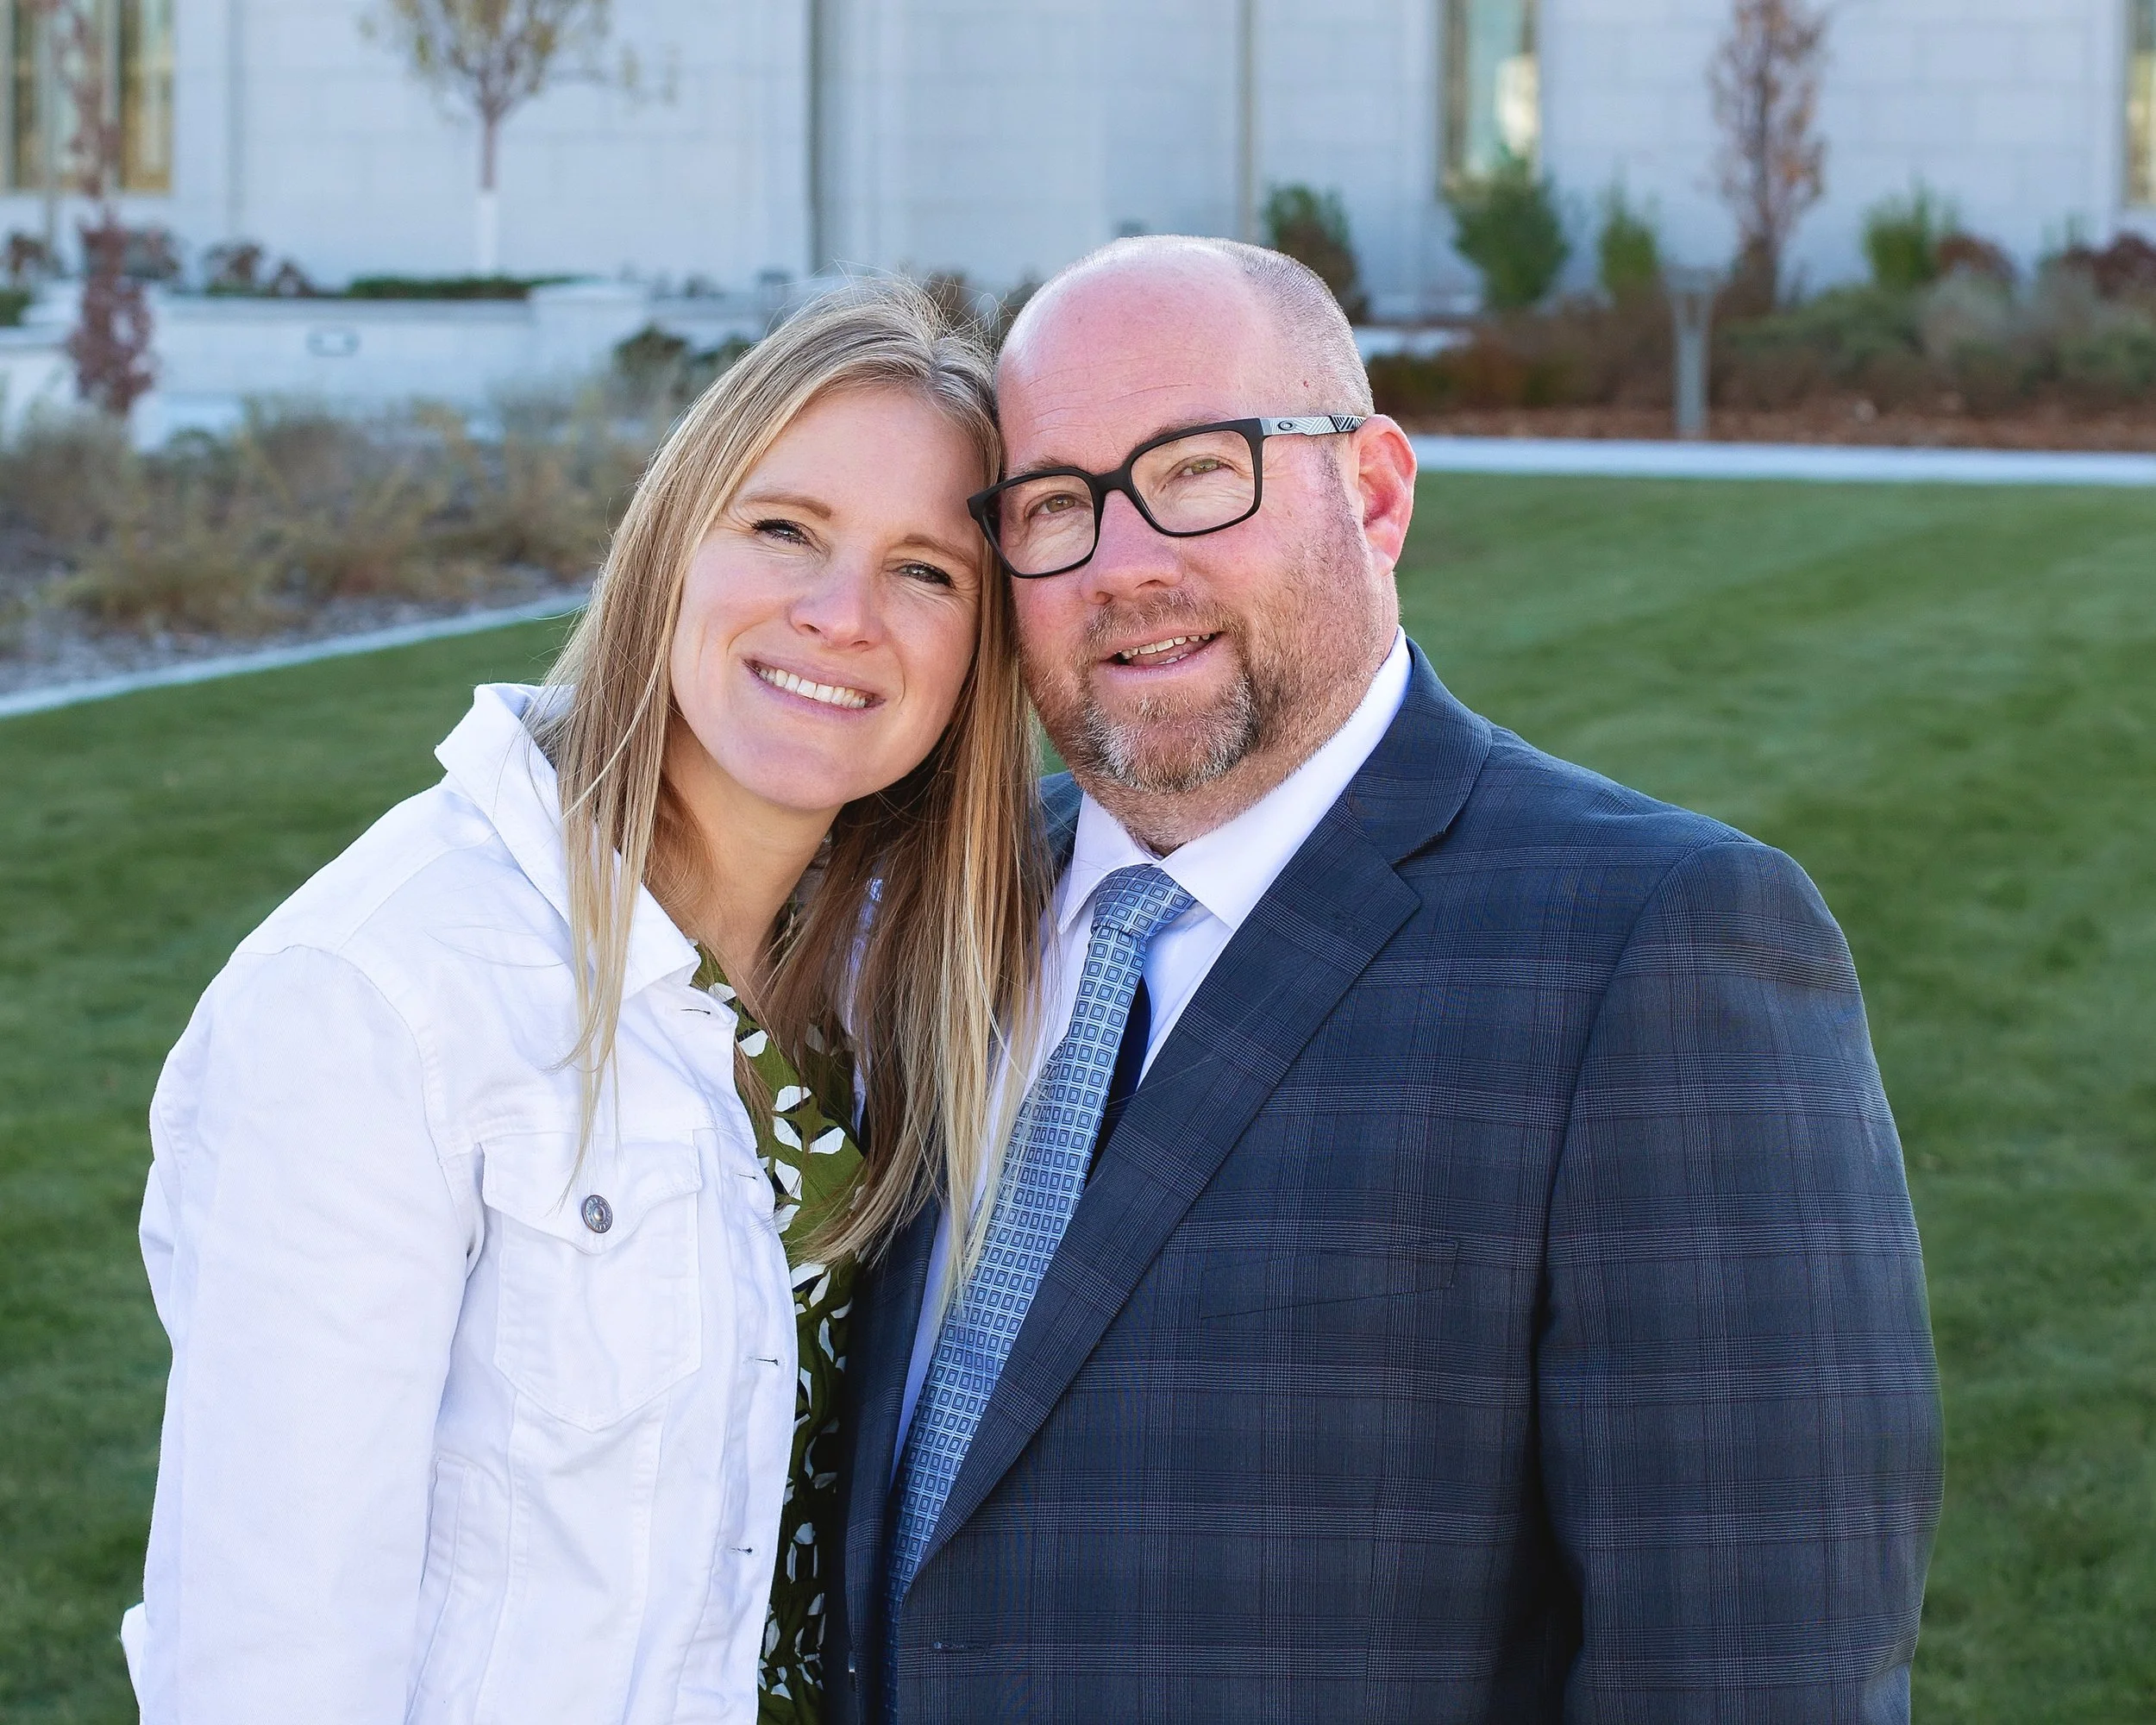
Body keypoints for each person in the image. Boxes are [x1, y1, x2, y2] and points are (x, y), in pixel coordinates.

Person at [838, 236, 1944, 1722]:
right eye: (1053, 507)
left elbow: (1755, 1672)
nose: (1123, 563)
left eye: (1197, 470)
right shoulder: (945, 908)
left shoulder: (1658, 949)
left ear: (1374, 490)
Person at [122, 280, 1050, 1724]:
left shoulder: (906, 989)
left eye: (928, 570)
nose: (841, 616)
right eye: (785, 529)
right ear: (673, 543)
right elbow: (265, 1654)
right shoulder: (381, 996)